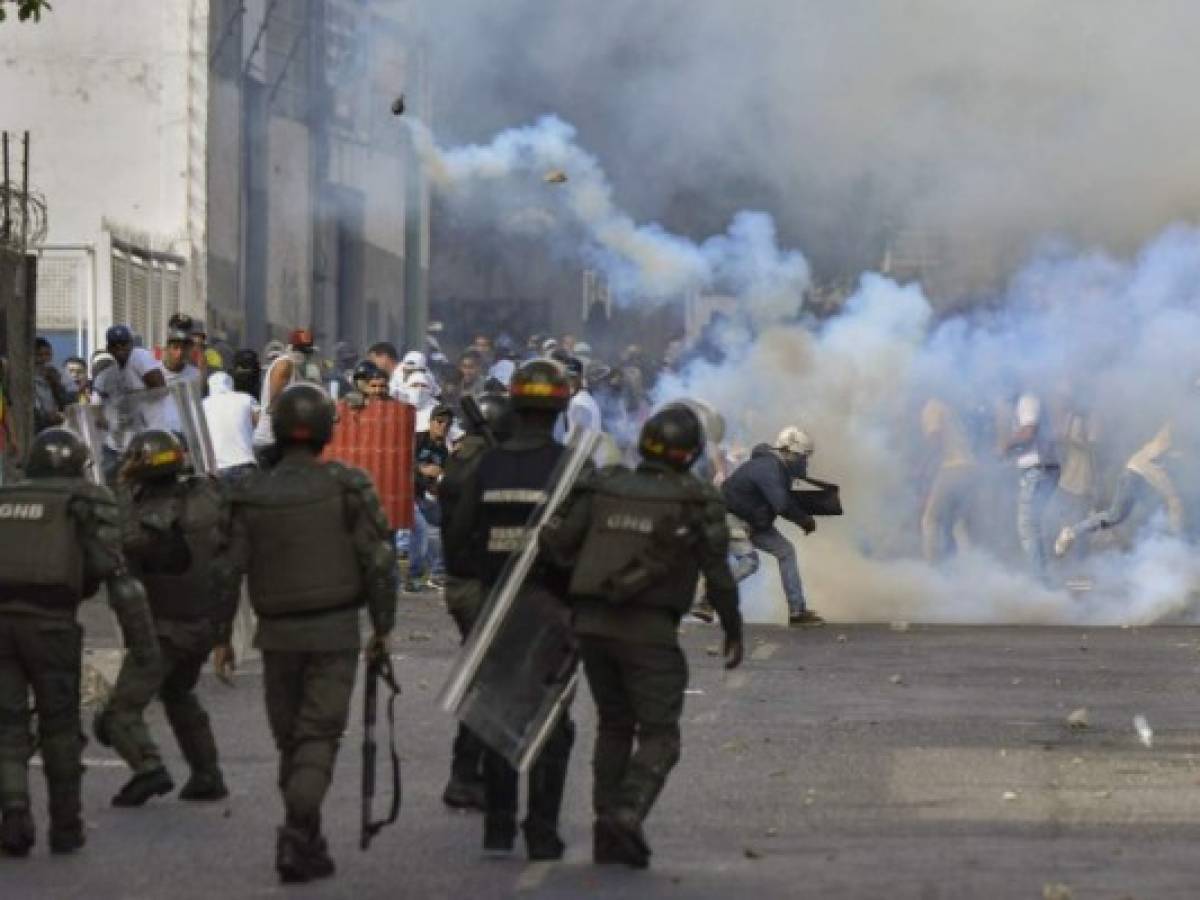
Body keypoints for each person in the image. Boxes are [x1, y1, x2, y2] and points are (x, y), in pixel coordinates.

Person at [539, 404, 743, 868]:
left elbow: (557, 545)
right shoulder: (696, 499)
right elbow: (718, 573)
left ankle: (606, 827)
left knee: (614, 723)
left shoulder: (604, 482)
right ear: (691, 453)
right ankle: (625, 814)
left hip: (589, 624)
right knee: (660, 735)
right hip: (648, 628)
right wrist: (733, 630)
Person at [221, 384, 397, 883]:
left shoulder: (251, 492)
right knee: (317, 736)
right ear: (325, 430)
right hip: (334, 632)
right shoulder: (347, 485)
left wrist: (219, 636)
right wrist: (383, 627)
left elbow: (225, 570)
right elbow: (380, 563)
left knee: (292, 741)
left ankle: (306, 835)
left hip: (276, 637)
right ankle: (299, 832)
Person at [0, 429, 159, 855]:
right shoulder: (86, 499)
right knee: (60, 729)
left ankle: (14, 812)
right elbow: (117, 573)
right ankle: (65, 827)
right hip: (52, 625)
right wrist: (143, 645)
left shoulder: (6, 497)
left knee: (7, 726)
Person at [443, 359, 577, 860]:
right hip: (552, 612)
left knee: (497, 715)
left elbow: (456, 544)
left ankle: (498, 827)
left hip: (495, 607)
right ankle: (541, 830)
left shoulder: (485, 466)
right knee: (551, 725)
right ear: (561, 405)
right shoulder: (569, 467)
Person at [94, 431, 235, 807]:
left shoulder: (157, 513)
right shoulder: (206, 494)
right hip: (203, 622)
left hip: (165, 627)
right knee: (178, 694)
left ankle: (148, 770)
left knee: (120, 713)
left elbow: (128, 540)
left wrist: (121, 487)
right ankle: (207, 774)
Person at [437, 391, 513, 810]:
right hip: (476, 581)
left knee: (489, 676)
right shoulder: (479, 462)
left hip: (467, 580)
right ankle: (465, 774)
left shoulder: (466, 454)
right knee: (490, 681)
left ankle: (473, 770)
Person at [720, 426, 824, 626]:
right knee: (749, 563)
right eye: (803, 457)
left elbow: (781, 499)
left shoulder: (775, 468)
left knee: (786, 551)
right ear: (789, 453)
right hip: (729, 518)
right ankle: (709, 595)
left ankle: (797, 612)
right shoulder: (769, 467)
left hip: (753, 521)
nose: (804, 462)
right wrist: (804, 520)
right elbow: (782, 504)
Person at [1055, 421, 1183, 557]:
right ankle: (1072, 532)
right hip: (1138, 474)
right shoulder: (1175, 429)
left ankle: (1162, 553)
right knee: (1116, 515)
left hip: (1147, 478)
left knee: (1153, 515)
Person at [91, 325, 168, 482]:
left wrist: (132, 397)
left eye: (124, 343)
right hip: (123, 441)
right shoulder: (111, 374)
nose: (120, 348)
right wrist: (108, 420)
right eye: (115, 344)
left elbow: (160, 388)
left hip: (150, 437)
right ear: (108, 348)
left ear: (131, 344)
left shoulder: (139, 356)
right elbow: (96, 410)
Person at [1001, 390, 1059, 583]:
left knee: (1028, 526)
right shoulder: (1026, 402)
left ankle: (1039, 582)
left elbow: (1028, 432)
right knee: (1031, 526)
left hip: (1038, 470)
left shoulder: (1026, 400)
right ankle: (1041, 578)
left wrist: (1005, 446)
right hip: (1039, 469)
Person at [919, 398, 977, 562]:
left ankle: (932, 570)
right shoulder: (948, 406)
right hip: (969, 467)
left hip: (952, 467)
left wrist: (923, 469)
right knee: (956, 523)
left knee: (929, 520)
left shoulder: (931, 407)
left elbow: (935, 440)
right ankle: (971, 568)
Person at [252, 329, 321, 465]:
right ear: (292, 348)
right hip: (271, 440)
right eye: (301, 351)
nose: (305, 356)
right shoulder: (285, 364)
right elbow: (275, 404)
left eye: (307, 351)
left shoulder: (294, 367)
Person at [202, 372, 259, 484]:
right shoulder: (246, 398)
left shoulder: (202, 405)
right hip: (246, 462)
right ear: (231, 385)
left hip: (217, 469)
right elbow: (260, 424)